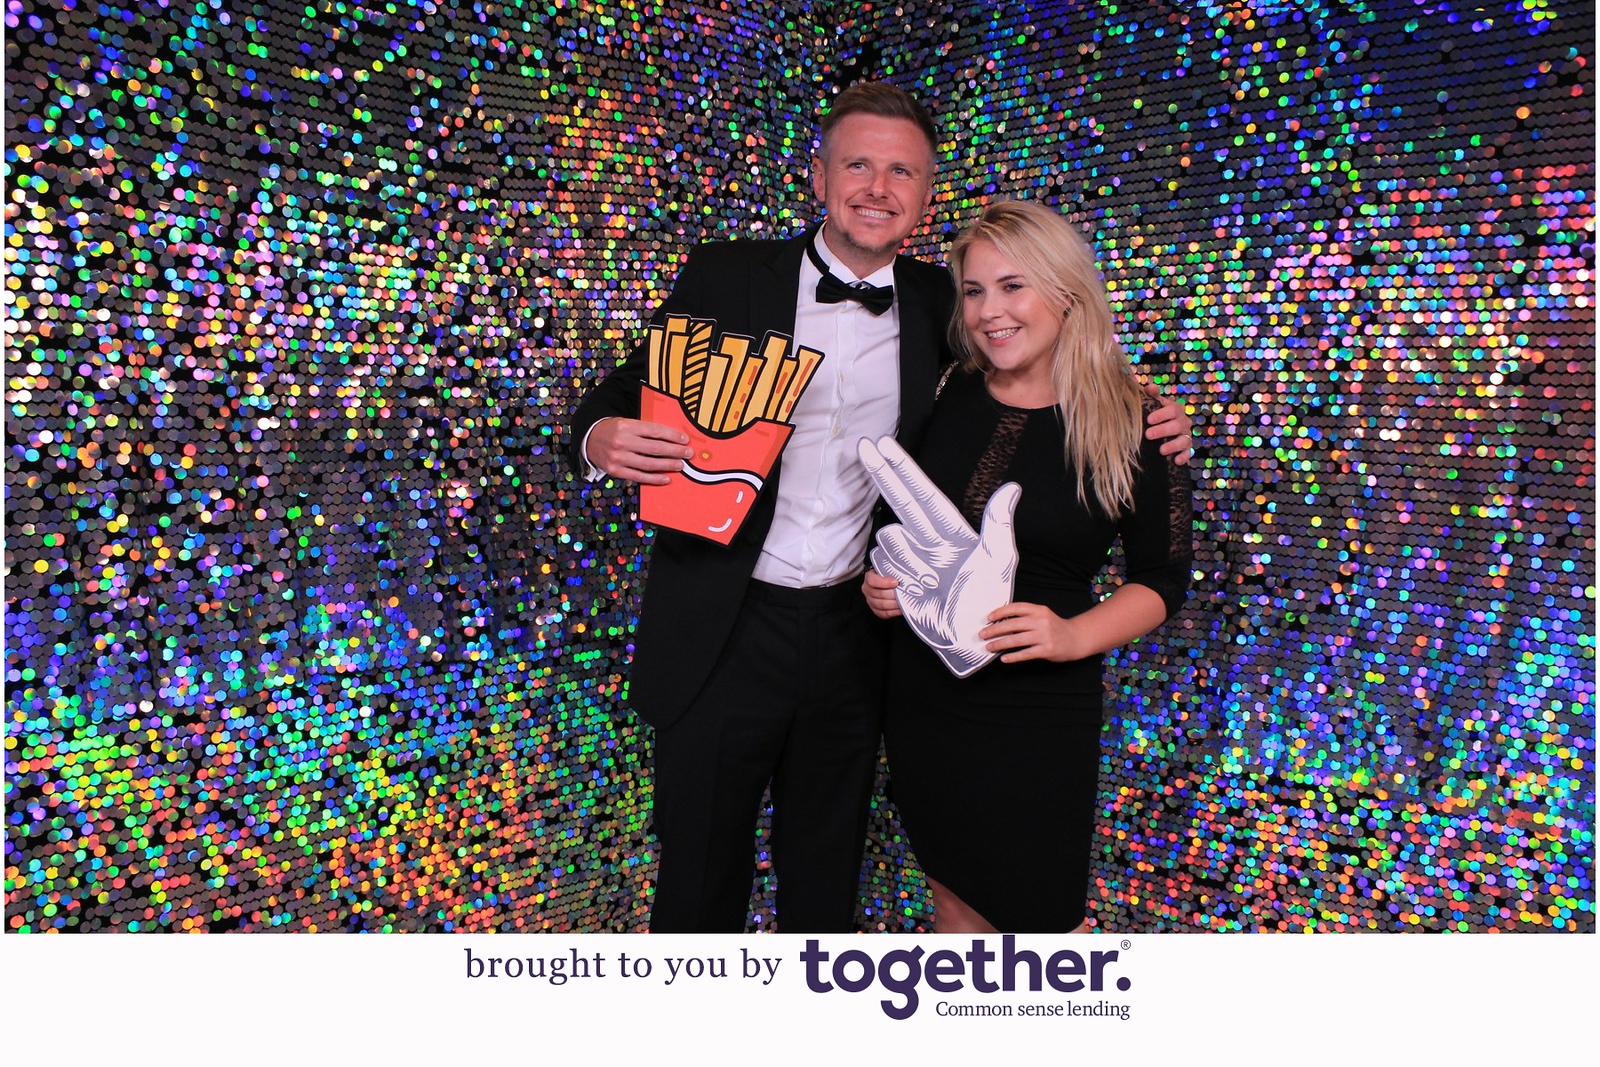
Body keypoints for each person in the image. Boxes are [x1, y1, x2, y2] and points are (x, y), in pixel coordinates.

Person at [569, 84, 1192, 933]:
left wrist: (1150, 413)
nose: (877, 187)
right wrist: (600, 434)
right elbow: (627, 387)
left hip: (856, 638)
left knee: (825, 877)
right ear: (819, 177)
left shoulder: (946, 301)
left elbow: (1048, 357)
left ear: (926, 194)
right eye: (857, 164)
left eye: (901, 171)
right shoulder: (728, 272)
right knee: (697, 878)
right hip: (723, 621)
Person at [862, 199, 1194, 934]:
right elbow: (903, 523)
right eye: (974, 291)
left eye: (1013, 286)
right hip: (924, 696)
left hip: (1036, 710)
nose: (990, 311)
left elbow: (1164, 577)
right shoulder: (948, 390)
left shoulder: (1138, 419)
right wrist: (882, 586)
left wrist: (1072, 635)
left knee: (1044, 927)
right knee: (955, 904)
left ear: (1066, 291)